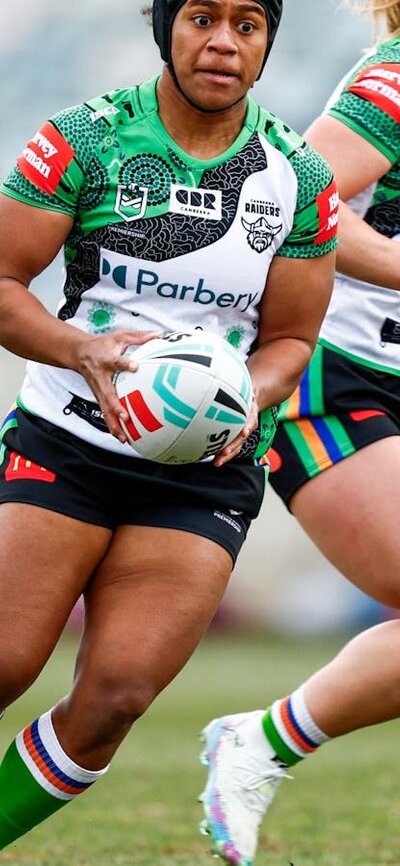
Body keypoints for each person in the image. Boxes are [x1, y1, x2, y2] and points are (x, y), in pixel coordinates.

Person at [0, 0, 336, 852]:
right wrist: (84, 351)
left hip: (204, 471)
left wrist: (250, 391)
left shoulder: (298, 175)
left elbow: (292, 339)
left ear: (267, 44)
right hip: (67, 440)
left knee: (116, 695)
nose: (223, 42)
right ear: (165, 28)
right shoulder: (86, 137)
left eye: (248, 25)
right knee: (5, 661)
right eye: (201, 17)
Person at [198, 1, 400, 864]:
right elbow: (294, 195)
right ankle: (264, 745)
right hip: (338, 371)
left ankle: (264, 741)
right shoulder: (397, 78)